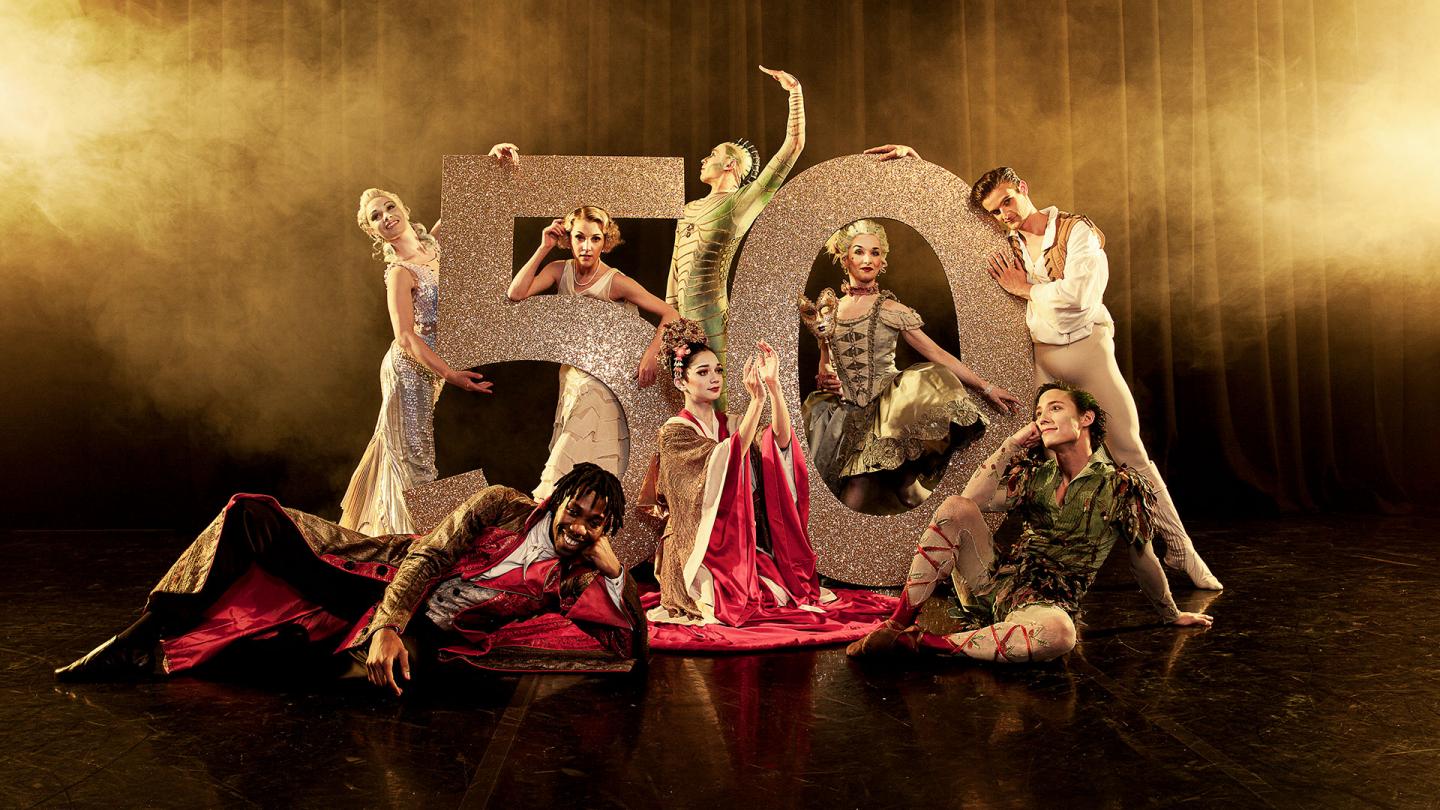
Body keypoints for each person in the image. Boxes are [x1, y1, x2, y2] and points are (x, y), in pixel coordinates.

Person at [869, 148, 1220, 589]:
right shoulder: (1007, 238)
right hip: (1043, 365)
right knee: (1028, 457)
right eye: (996, 212)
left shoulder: (1078, 232)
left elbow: (1080, 298)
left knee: (1130, 454)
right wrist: (915, 162)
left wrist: (1027, 287)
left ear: (1024, 189)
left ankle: (1183, 552)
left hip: (1088, 355)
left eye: (1008, 203)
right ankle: (985, 550)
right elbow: (950, 217)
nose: (1004, 216)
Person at [55, 464, 647, 690]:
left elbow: (628, 646)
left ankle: (211, 655)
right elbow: (428, 558)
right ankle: (138, 642)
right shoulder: (500, 504)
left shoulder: (572, 578)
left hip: (435, 637)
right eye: (577, 509)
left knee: (370, 681)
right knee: (251, 517)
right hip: (375, 579)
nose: (581, 526)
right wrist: (387, 622)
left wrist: (615, 569)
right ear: (560, 498)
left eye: (597, 523)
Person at [846, 383, 1214, 663]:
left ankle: (920, 644)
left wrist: (1170, 613)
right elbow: (971, 503)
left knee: (1060, 635)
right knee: (957, 506)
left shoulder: (1119, 486)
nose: (1043, 417)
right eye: (1039, 412)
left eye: (1056, 408)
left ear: (1085, 419)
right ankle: (897, 622)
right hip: (995, 582)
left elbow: (1143, 560)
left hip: (1045, 606)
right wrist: (1011, 443)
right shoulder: (1036, 475)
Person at [801, 219, 1022, 514]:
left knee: (883, 489)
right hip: (844, 414)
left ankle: (955, 518)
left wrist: (986, 387)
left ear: (883, 262)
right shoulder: (829, 310)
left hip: (890, 410)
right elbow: (826, 363)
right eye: (859, 252)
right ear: (846, 259)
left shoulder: (892, 310)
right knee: (874, 493)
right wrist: (827, 376)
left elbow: (937, 354)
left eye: (875, 253)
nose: (867, 259)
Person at [649, 319, 830, 626]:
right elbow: (728, 457)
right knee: (726, 601)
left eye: (718, 370)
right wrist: (755, 402)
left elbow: (779, 443)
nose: (714, 378)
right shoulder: (674, 432)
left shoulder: (731, 424)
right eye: (703, 372)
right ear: (681, 381)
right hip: (694, 546)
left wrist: (773, 390)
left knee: (777, 591)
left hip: (737, 542)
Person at [339, 187, 492, 537]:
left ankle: (391, 533)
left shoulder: (433, 246)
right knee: (415, 455)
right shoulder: (399, 272)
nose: (385, 217)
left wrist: (493, 159)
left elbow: (467, 200)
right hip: (410, 368)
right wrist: (451, 374)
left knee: (402, 449)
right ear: (372, 231)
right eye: (375, 217)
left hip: (431, 368)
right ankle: (418, 545)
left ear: (404, 209)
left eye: (389, 207)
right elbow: (405, 337)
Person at [507, 205, 678, 501]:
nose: (586, 247)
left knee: (586, 442)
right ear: (569, 238)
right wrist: (544, 246)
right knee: (582, 444)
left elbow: (671, 314)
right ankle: (574, 512)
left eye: (595, 239)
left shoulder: (615, 281)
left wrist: (651, 352)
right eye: (579, 238)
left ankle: (553, 500)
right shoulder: (558, 270)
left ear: (605, 240)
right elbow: (515, 293)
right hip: (572, 374)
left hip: (606, 377)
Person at [666, 66, 806, 403]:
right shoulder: (688, 208)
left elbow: (792, 148)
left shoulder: (741, 203)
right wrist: (670, 326)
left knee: (721, 399)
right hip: (681, 322)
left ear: (730, 165)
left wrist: (795, 94)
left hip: (713, 318)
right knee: (682, 402)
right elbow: (674, 271)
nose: (704, 158)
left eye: (713, 154)